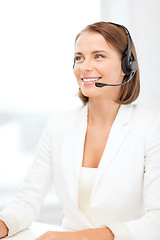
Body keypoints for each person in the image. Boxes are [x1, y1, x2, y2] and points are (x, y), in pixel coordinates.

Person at [0, 21, 160, 240]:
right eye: (79, 57)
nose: (85, 67)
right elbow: (26, 202)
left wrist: (80, 237)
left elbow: (156, 222)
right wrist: (4, 225)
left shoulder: (151, 127)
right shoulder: (58, 125)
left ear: (126, 66)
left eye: (99, 56)